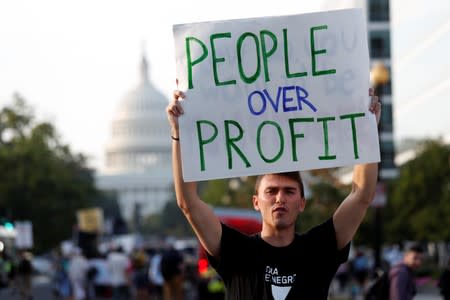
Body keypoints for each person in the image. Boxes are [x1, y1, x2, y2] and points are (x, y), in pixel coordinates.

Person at [166, 87, 381, 300]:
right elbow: (188, 203)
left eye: (289, 191)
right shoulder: (236, 250)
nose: (280, 198)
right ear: (256, 202)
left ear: (302, 203)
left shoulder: (318, 248)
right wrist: (180, 133)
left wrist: (368, 131)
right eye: (271, 191)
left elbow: (361, 196)